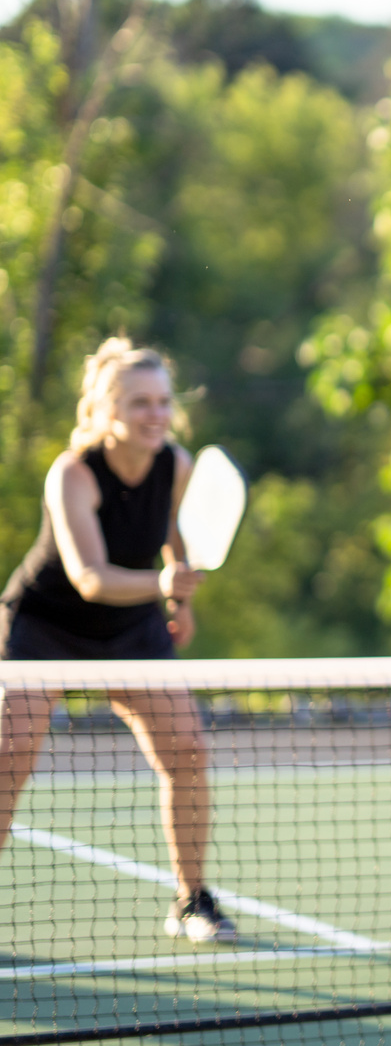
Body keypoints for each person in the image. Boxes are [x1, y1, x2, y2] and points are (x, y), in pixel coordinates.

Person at [0, 338, 234, 944]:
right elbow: (90, 577)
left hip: (132, 629)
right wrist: (164, 585)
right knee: (9, 757)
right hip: (44, 626)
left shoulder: (175, 464)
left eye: (162, 402)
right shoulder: (72, 473)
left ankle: (192, 901)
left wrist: (179, 601)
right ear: (106, 413)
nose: (155, 414)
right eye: (139, 404)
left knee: (186, 750)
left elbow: (177, 540)